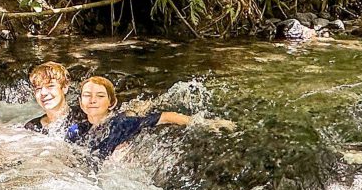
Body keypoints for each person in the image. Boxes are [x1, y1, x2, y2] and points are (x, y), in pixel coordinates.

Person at [68, 76, 234, 160]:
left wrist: (206, 123)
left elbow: (166, 116)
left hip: (125, 117)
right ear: (81, 103)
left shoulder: (121, 124)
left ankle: (149, 103)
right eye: (87, 95)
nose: (92, 100)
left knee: (136, 112)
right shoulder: (76, 130)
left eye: (100, 96)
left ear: (111, 103)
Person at [24, 61, 75, 133]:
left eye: (50, 86)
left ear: (64, 87)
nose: (43, 93)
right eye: (38, 88)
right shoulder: (31, 128)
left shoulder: (83, 118)